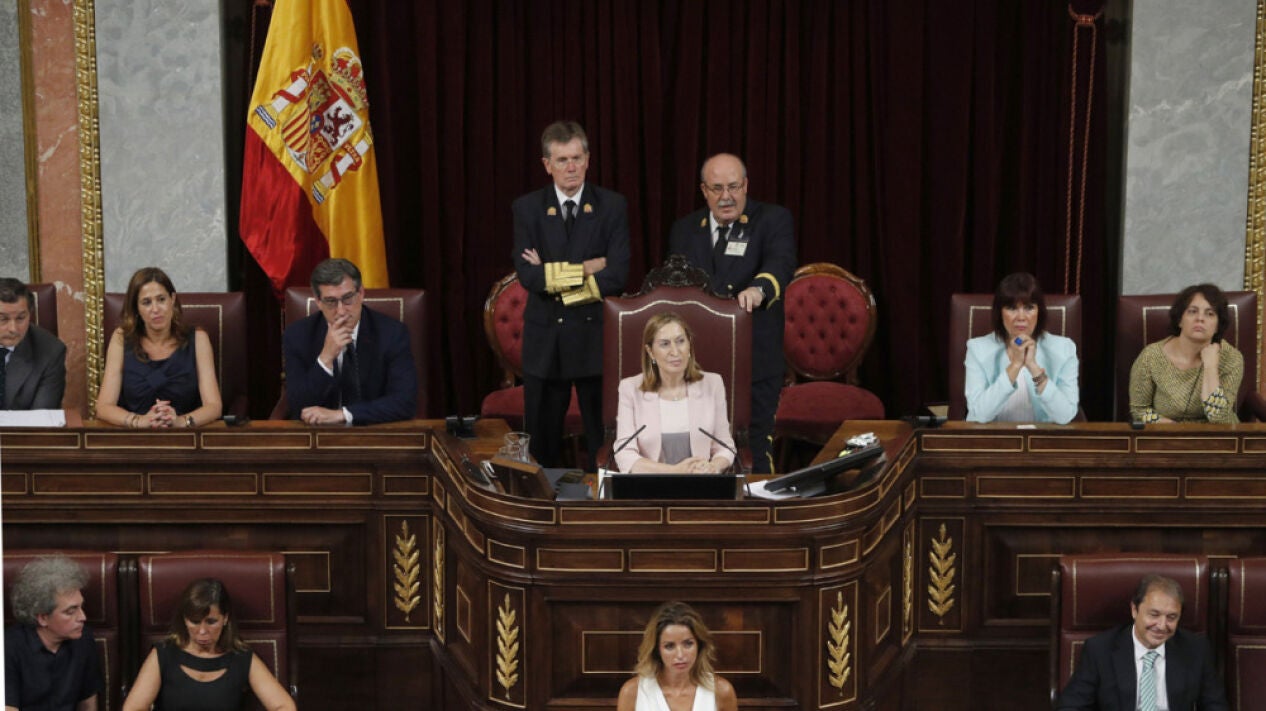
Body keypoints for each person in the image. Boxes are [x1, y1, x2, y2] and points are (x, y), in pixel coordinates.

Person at [668, 154, 796, 473]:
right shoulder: (685, 229)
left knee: (755, 446)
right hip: (699, 363)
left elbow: (779, 264)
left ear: (746, 185)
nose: (726, 196)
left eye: (734, 187)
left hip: (754, 358)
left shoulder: (772, 219)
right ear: (704, 190)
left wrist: (759, 289)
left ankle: (759, 503)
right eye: (717, 188)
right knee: (700, 447)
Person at [513, 121, 630, 467]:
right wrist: (585, 269)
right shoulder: (527, 208)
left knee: (602, 443)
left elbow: (616, 276)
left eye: (577, 158)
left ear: (588, 160)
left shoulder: (611, 206)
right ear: (547, 164)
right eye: (562, 160)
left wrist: (553, 277)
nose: (571, 167)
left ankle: (601, 499)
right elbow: (528, 276)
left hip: (593, 340)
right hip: (545, 342)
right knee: (541, 447)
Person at [1054, 574, 1227, 710]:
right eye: (1154, 615)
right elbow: (1071, 706)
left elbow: (1215, 706)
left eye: (1171, 617)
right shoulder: (1100, 650)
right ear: (1134, 610)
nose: (1162, 626)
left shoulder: (1196, 649)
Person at [122, 578, 295, 711]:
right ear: (185, 619)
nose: (202, 631)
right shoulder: (164, 655)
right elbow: (133, 708)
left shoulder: (241, 658)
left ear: (225, 618)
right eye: (195, 621)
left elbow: (284, 706)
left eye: (211, 622)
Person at [283, 258, 418, 425]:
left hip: (374, 430)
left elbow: (404, 402)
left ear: (360, 293)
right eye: (331, 301)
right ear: (318, 301)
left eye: (348, 298)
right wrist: (325, 359)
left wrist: (343, 415)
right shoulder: (297, 335)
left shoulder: (392, 333)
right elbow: (298, 406)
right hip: (320, 433)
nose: (341, 311)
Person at [95, 267, 222, 428]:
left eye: (161, 299)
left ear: (172, 300)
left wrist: (181, 421)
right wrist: (139, 421)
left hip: (186, 436)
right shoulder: (121, 338)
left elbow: (214, 406)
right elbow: (104, 407)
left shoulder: (198, 339)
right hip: (135, 436)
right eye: (146, 302)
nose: (155, 309)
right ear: (136, 308)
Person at [614, 312, 735, 473]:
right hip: (651, 484)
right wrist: (674, 471)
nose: (675, 351)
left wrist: (713, 467)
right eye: (665, 344)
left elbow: (725, 447)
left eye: (680, 341)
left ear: (689, 345)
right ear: (650, 352)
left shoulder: (713, 384)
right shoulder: (630, 389)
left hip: (700, 483)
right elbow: (625, 454)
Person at [964, 272, 1079, 424]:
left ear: (1039, 312)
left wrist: (1033, 367)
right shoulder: (977, 349)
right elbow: (979, 415)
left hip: (1042, 437)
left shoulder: (1064, 349)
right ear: (1000, 313)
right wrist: (1015, 365)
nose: (1021, 317)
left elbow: (1065, 416)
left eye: (1029, 308)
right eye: (1012, 308)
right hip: (994, 436)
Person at [1129, 283, 1243, 424]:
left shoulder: (1232, 358)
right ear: (1180, 320)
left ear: (1217, 326)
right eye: (1192, 311)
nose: (1200, 318)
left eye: (1210, 314)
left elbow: (1220, 420)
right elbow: (1139, 410)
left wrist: (1211, 367)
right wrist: (1175, 429)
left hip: (1218, 434)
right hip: (1165, 431)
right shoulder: (1150, 356)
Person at [5, 555, 101, 711]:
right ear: (43, 618)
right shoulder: (9, 649)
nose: (83, 617)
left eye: (81, 607)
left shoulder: (84, 640)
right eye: (71, 612)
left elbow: (88, 704)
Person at [616, 601, 737, 711]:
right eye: (669, 646)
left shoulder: (722, 691)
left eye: (688, 644)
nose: (680, 655)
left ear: (699, 645)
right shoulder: (632, 693)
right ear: (656, 649)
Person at [0, 278, 66, 410]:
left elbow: (41, 417)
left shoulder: (51, 352)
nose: (13, 328)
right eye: (2, 319)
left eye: (20, 318)